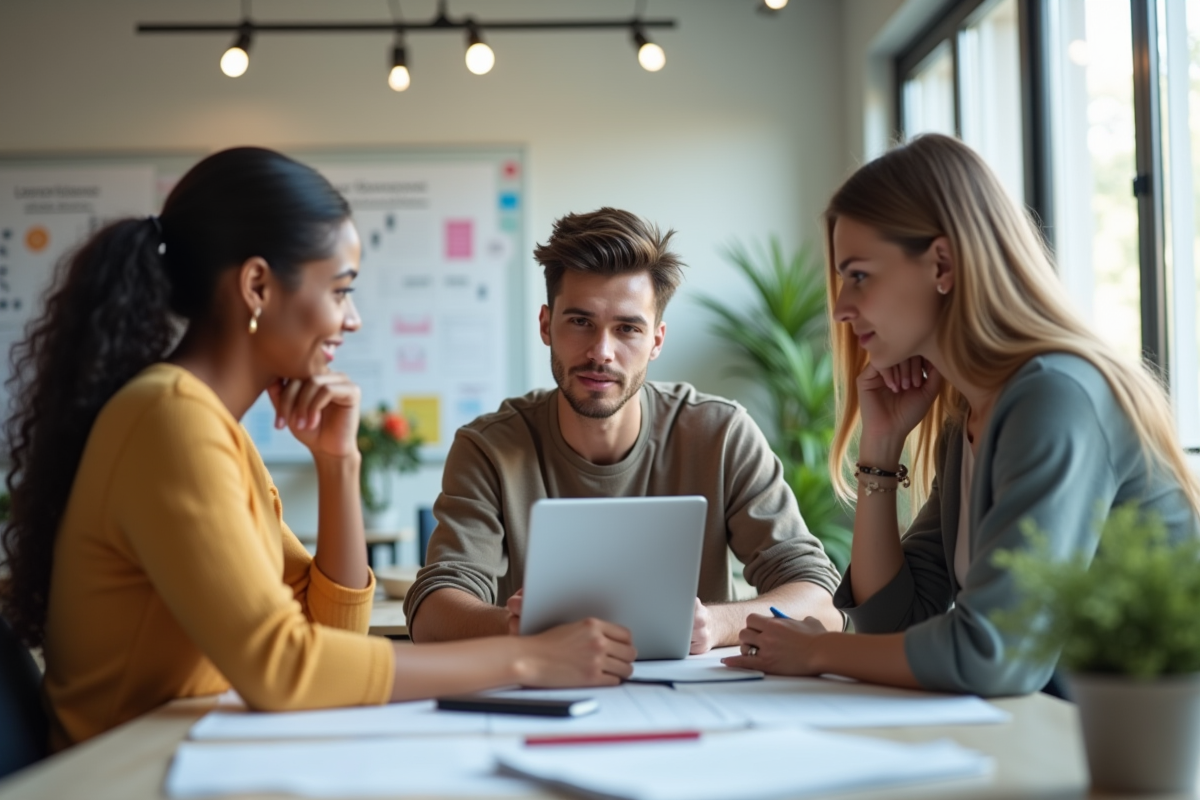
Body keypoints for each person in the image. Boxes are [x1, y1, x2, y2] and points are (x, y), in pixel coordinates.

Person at [0, 148, 635, 749]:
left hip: (189, 751)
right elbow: (284, 669)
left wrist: (338, 465)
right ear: (256, 286)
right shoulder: (170, 418)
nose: (352, 318)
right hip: (125, 774)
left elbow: (332, 638)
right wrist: (527, 656)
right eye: (339, 289)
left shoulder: (209, 426)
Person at [722, 134, 1200, 696]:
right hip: (1063, 732)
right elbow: (897, 620)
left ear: (942, 264)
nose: (842, 308)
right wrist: (881, 447)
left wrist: (819, 650)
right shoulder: (972, 414)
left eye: (858, 275)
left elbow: (995, 653)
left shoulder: (1055, 397)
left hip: (1139, 759)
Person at [405, 207, 842, 652]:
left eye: (628, 328)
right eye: (580, 322)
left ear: (656, 340)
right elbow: (432, 611)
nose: (602, 352)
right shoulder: (488, 448)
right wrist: (512, 628)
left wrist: (716, 625)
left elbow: (819, 596)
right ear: (545, 325)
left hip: (693, 698)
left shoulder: (721, 433)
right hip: (545, 690)